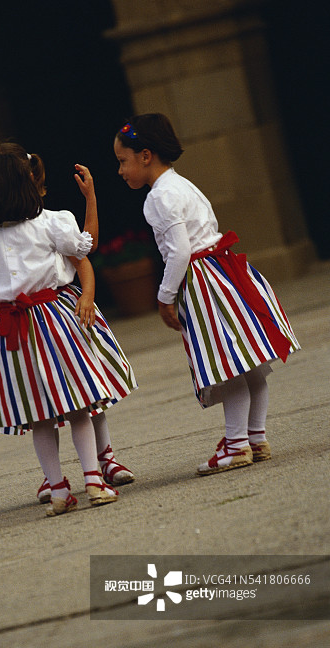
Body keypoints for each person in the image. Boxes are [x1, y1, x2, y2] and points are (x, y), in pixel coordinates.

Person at [0, 146, 131, 515]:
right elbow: (85, 247)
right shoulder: (51, 222)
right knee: (79, 406)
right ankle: (94, 480)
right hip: (55, 320)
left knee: (40, 415)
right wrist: (90, 198)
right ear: (27, 186)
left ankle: (60, 491)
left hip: (13, 330)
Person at [114, 113, 300, 475]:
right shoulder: (182, 185)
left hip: (201, 281)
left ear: (146, 155)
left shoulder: (159, 197)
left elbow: (180, 250)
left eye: (123, 161)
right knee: (249, 365)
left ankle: (236, 446)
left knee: (226, 367)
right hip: (223, 273)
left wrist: (166, 295)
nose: (121, 170)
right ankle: (255, 437)